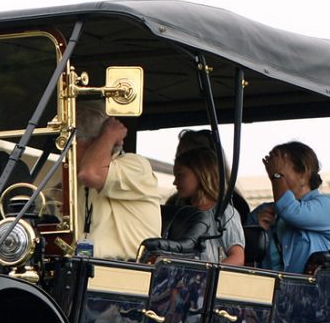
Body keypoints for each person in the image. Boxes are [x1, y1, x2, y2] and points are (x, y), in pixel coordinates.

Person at [75, 98, 161, 261]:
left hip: (127, 275)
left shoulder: (136, 166)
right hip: (87, 270)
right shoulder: (79, 183)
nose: (65, 153)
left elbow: (91, 174)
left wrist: (109, 134)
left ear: (93, 142)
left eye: (72, 143)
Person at [253, 141, 330, 273]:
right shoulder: (264, 211)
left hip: (310, 290)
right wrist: (258, 233)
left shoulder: (329, 205)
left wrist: (276, 175)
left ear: (303, 173)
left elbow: (291, 211)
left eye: (280, 171)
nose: (275, 180)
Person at [170, 147, 245, 265]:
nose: (175, 182)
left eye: (180, 175)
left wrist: (208, 278)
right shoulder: (181, 213)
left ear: (201, 173)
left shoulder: (224, 212)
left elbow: (237, 257)